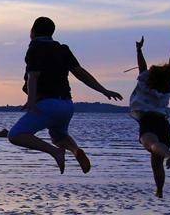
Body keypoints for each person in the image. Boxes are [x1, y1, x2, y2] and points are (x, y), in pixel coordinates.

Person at [7, 16, 123, 173]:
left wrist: (31, 100)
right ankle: (75, 150)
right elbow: (80, 73)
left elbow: (33, 76)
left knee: (16, 135)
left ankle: (55, 152)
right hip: (66, 105)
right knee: (58, 136)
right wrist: (103, 90)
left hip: (46, 104)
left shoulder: (35, 48)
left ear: (32, 31)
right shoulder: (63, 49)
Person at [130, 28, 170, 198]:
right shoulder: (168, 87)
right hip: (164, 125)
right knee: (155, 162)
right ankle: (159, 191)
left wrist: (139, 49)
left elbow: (142, 67)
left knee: (150, 143)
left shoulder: (146, 84)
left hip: (149, 121)